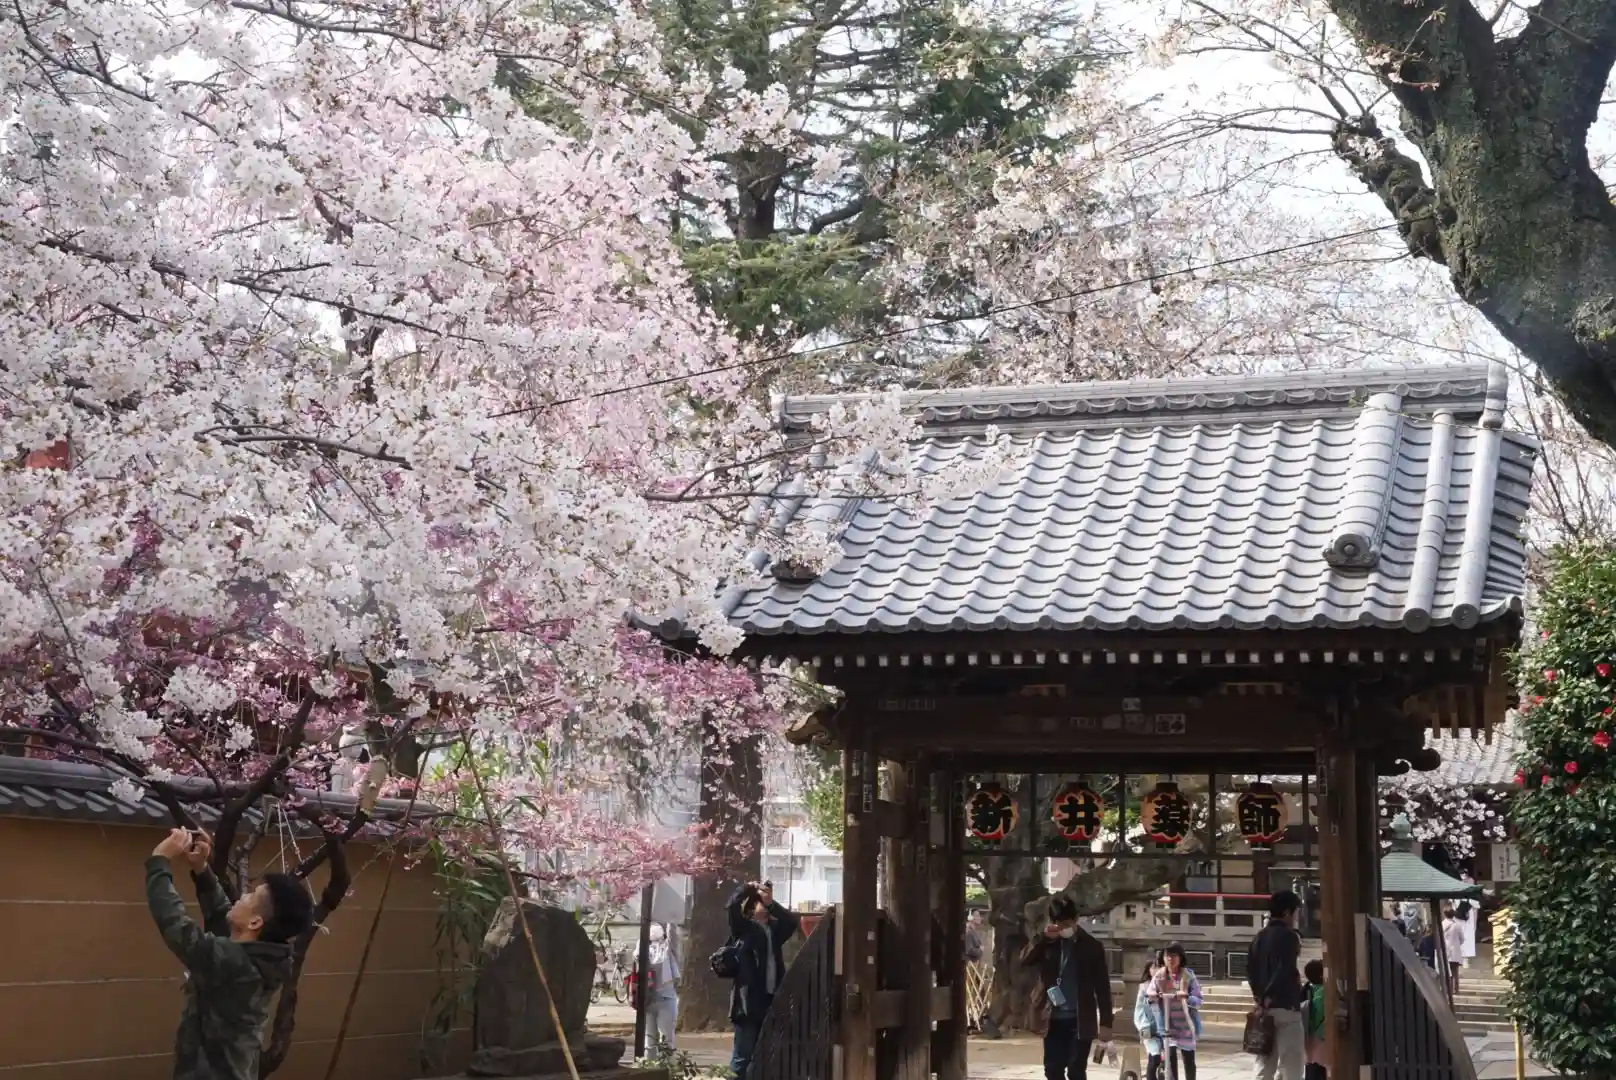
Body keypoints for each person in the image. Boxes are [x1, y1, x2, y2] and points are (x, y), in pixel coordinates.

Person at [146, 827, 314, 1080]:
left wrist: (159, 862)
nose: (243, 896)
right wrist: (201, 869)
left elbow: (176, 926)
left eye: (251, 896)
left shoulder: (235, 963)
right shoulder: (261, 957)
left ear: (255, 922)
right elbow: (222, 916)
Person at [1020, 894, 1114, 1080]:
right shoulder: (1047, 942)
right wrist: (1042, 939)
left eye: (1068, 923)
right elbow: (1024, 960)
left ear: (1076, 920)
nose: (1064, 928)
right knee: (1052, 1070)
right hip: (1052, 1018)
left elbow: (1103, 987)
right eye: (1060, 924)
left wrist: (1106, 1022)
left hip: (1080, 1018)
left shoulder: (1092, 946)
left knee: (1076, 1071)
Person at [725, 880, 801, 1080]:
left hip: (770, 1001)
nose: (765, 908)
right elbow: (732, 907)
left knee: (767, 1056)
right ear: (751, 910)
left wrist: (771, 902)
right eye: (760, 903)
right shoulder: (744, 930)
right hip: (748, 1004)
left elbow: (792, 922)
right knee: (742, 1057)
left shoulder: (774, 931)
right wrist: (748, 888)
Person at [1246, 889, 1305, 1080]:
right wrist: (1269, 995)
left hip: (1263, 1009)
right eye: (1295, 912)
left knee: (1264, 1064)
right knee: (1291, 1065)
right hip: (1286, 1006)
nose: (1296, 917)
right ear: (1287, 912)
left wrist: (1259, 998)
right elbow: (1285, 969)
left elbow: (1250, 970)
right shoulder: (1290, 936)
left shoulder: (1259, 937)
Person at [1149, 943, 1203, 1080]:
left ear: (1180, 957)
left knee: (1189, 1060)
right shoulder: (1160, 976)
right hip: (1168, 1026)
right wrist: (1154, 996)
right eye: (1167, 956)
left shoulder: (1188, 975)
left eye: (1173, 956)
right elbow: (1150, 992)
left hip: (1186, 1026)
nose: (1170, 959)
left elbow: (1199, 1000)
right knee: (1170, 1057)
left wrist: (1187, 997)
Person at [644, 923, 680, 1056]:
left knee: (652, 1040)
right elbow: (673, 938)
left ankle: (650, 1065)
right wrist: (671, 921)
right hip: (662, 999)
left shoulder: (642, 951)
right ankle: (664, 1066)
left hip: (651, 999)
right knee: (664, 1040)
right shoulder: (665, 951)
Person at [1134, 955, 1165, 1080]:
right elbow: (1139, 1009)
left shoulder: (1167, 986)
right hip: (1149, 1028)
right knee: (1154, 1056)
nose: (1156, 970)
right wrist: (1143, 1026)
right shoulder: (1144, 988)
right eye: (1154, 967)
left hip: (1165, 1029)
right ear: (1148, 970)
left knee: (1166, 1060)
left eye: (1159, 967)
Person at [1302, 960, 1326, 1080]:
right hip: (1320, 1037)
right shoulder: (1323, 992)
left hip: (1309, 1037)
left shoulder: (1306, 989)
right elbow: (1319, 1016)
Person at [1442, 907, 1465, 997]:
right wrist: (1456, 944)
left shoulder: (1442, 924)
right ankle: (1456, 989)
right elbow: (1462, 939)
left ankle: (1448, 989)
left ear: (1444, 914)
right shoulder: (1457, 925)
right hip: (1455, 951)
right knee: (1455, 971)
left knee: (1446, 971)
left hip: (1445, 951)